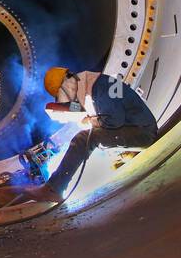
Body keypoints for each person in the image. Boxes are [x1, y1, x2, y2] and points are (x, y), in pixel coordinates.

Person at [33, 67, 158, 203]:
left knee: (84, 138)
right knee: (93, 136)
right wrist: (60, 110)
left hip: (142, 133)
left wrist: (89, 120)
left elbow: (113, 120)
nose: (68, 100)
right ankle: (126, 152)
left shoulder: (101, 86)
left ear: (66, 85)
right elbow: (82, 107)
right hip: (136, 128)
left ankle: (53, 189)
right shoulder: (92, 84)